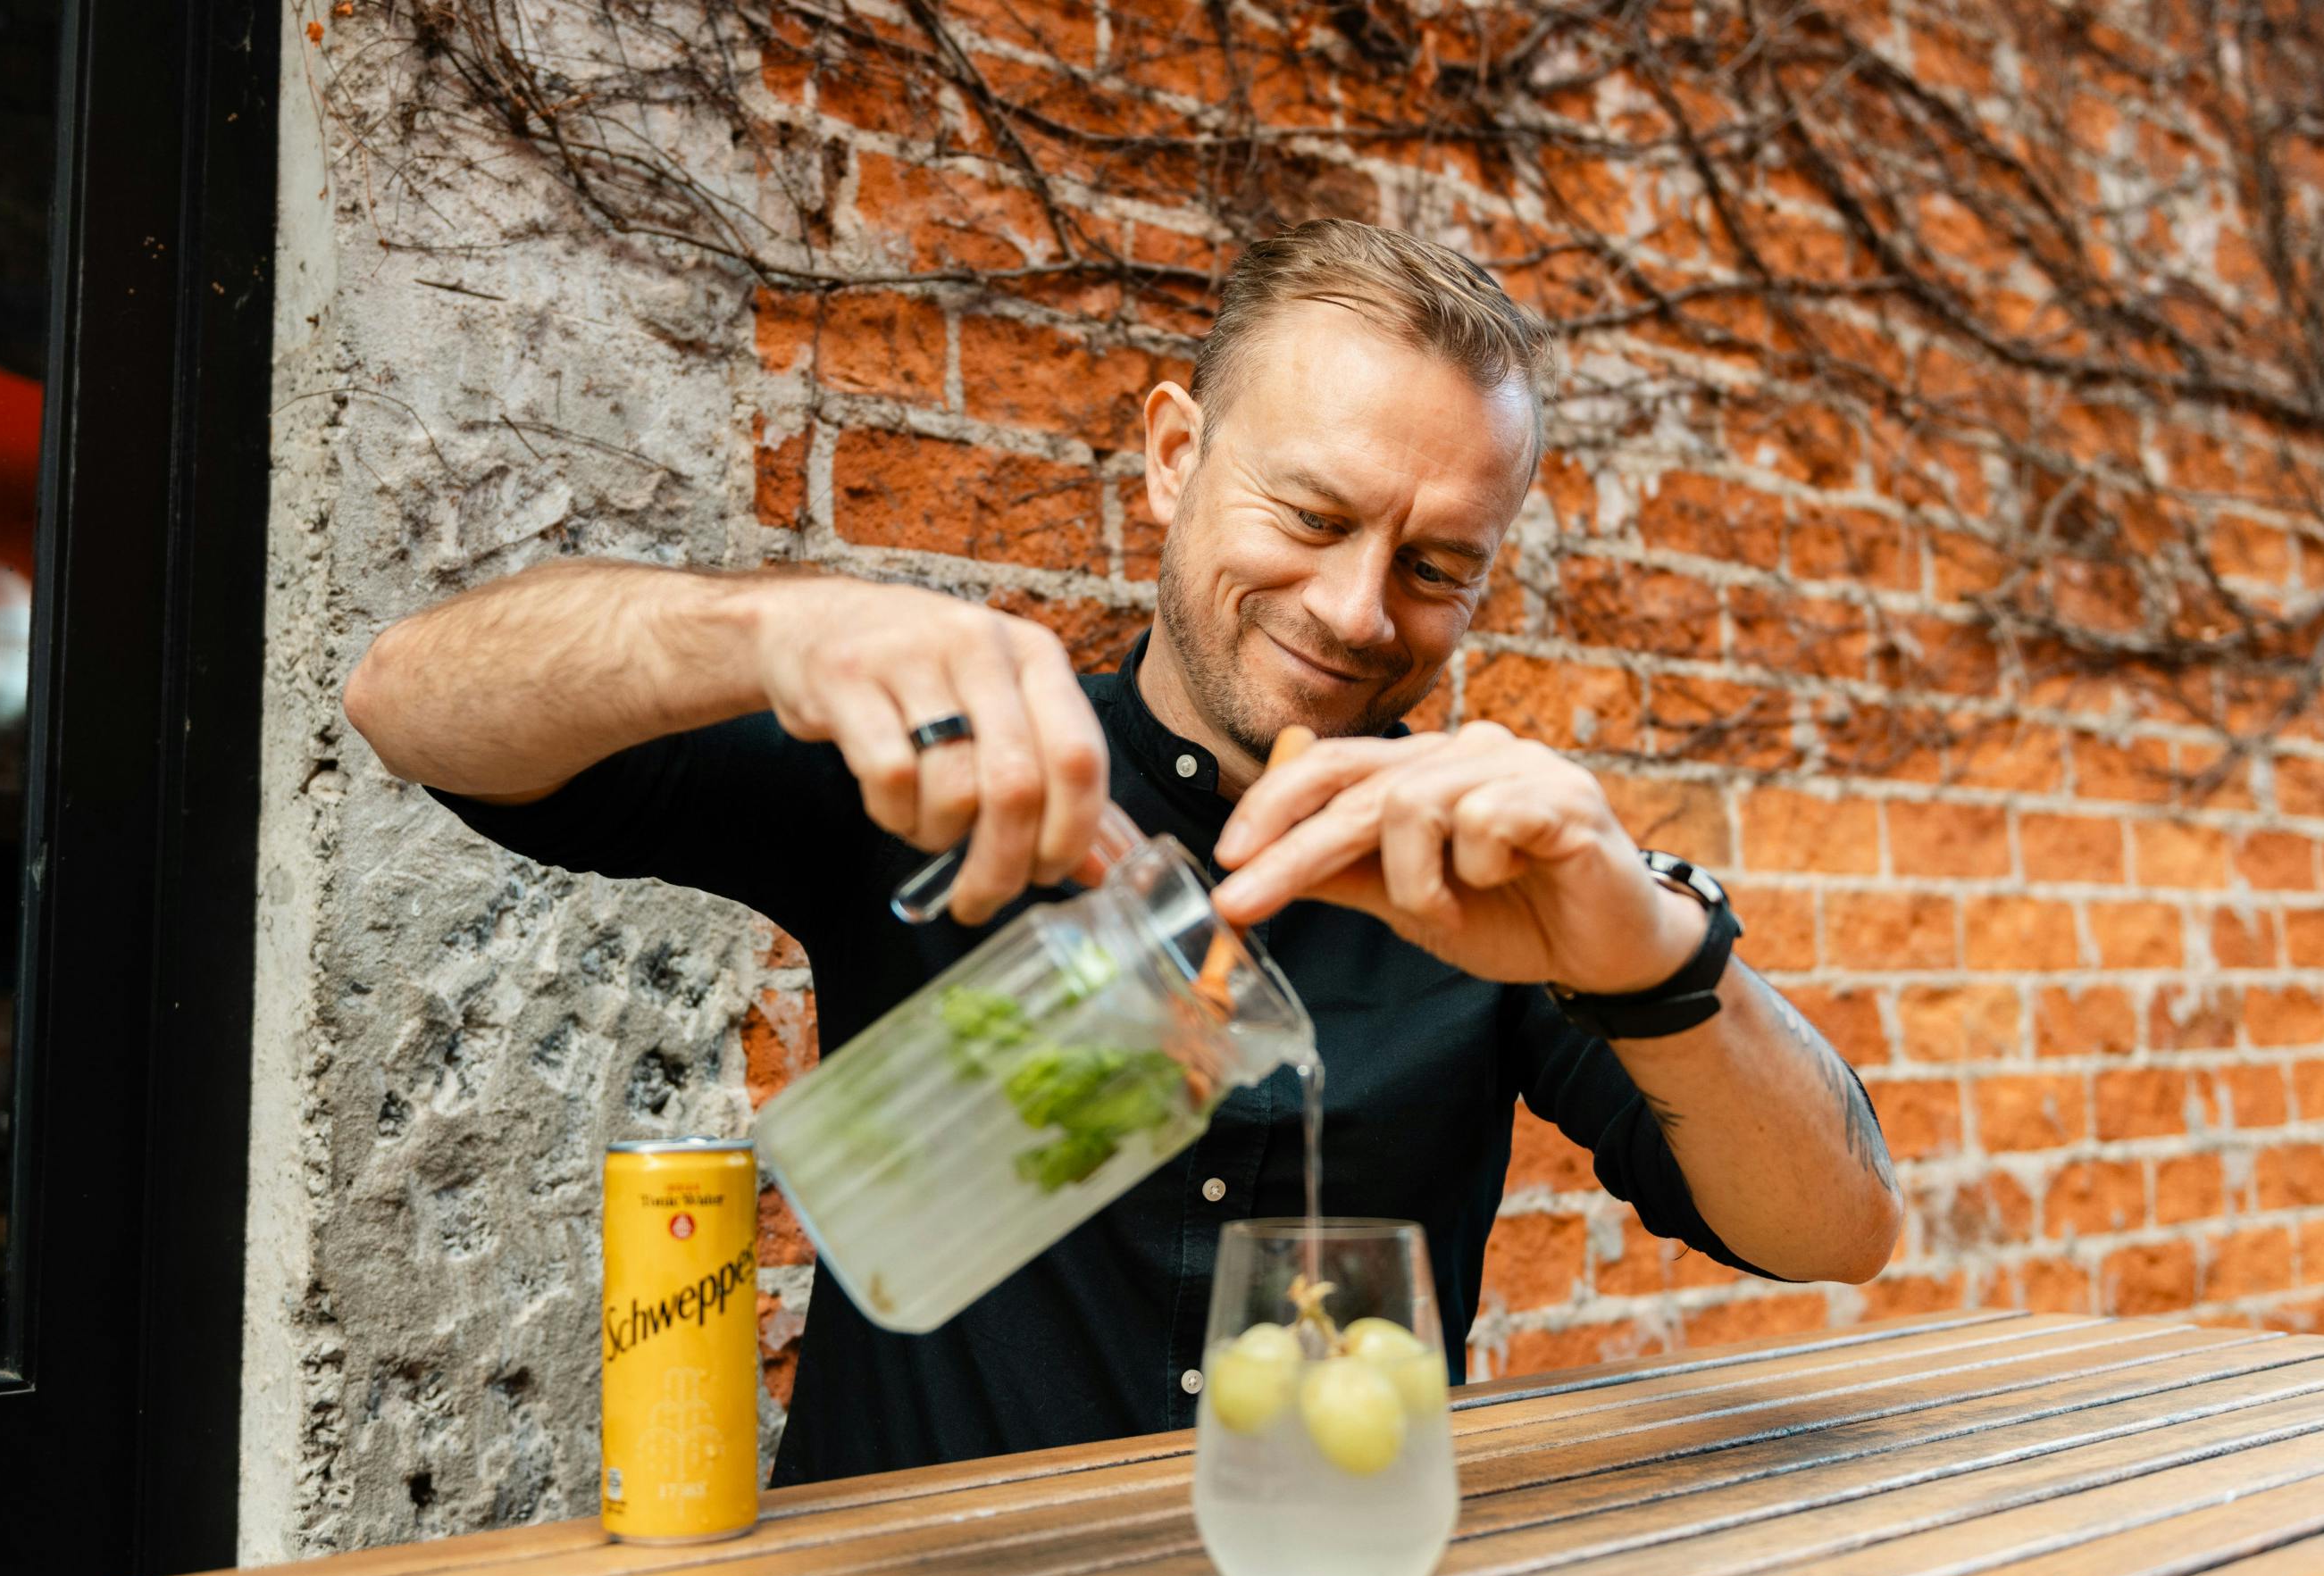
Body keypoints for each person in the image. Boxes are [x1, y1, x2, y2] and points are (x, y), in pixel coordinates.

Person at [344, 218, 1902, 1488]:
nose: (1361, 611)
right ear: (1173, 459)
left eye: (1435, 566)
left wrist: (1651, 951)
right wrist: (758, 627)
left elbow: (1836, 1231)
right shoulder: (956, 763)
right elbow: (407, 704)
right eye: (1310, 512)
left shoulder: (1495, 886)